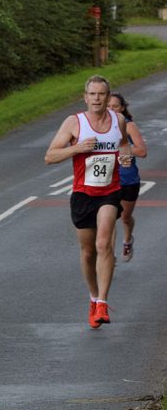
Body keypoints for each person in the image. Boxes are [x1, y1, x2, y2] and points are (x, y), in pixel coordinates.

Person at [44, 74, 132, 328]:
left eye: (101, 94)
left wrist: (125, 158)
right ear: (85, 97)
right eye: (92, 94)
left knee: (104, 243)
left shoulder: (119, 120)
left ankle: (103, 303)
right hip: (83, 194)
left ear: (108, 96)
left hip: (110, 191)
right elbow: (49, 156)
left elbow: (124, 145)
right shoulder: (74, 123)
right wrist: (77, 148)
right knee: (88, 252)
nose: (96, 98)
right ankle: (93, 298)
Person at [108, 92, 148, 261]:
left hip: (128, 180)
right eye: (108, 106)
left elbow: (142, 151)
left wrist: (120, 148)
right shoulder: (99, 125)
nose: (111, 110)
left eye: (115, 106)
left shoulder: (129, 126)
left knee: (125, 217)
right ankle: (107, 256)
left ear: (122, 108)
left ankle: (128, 239)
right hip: (108, 180)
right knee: (107, 220)